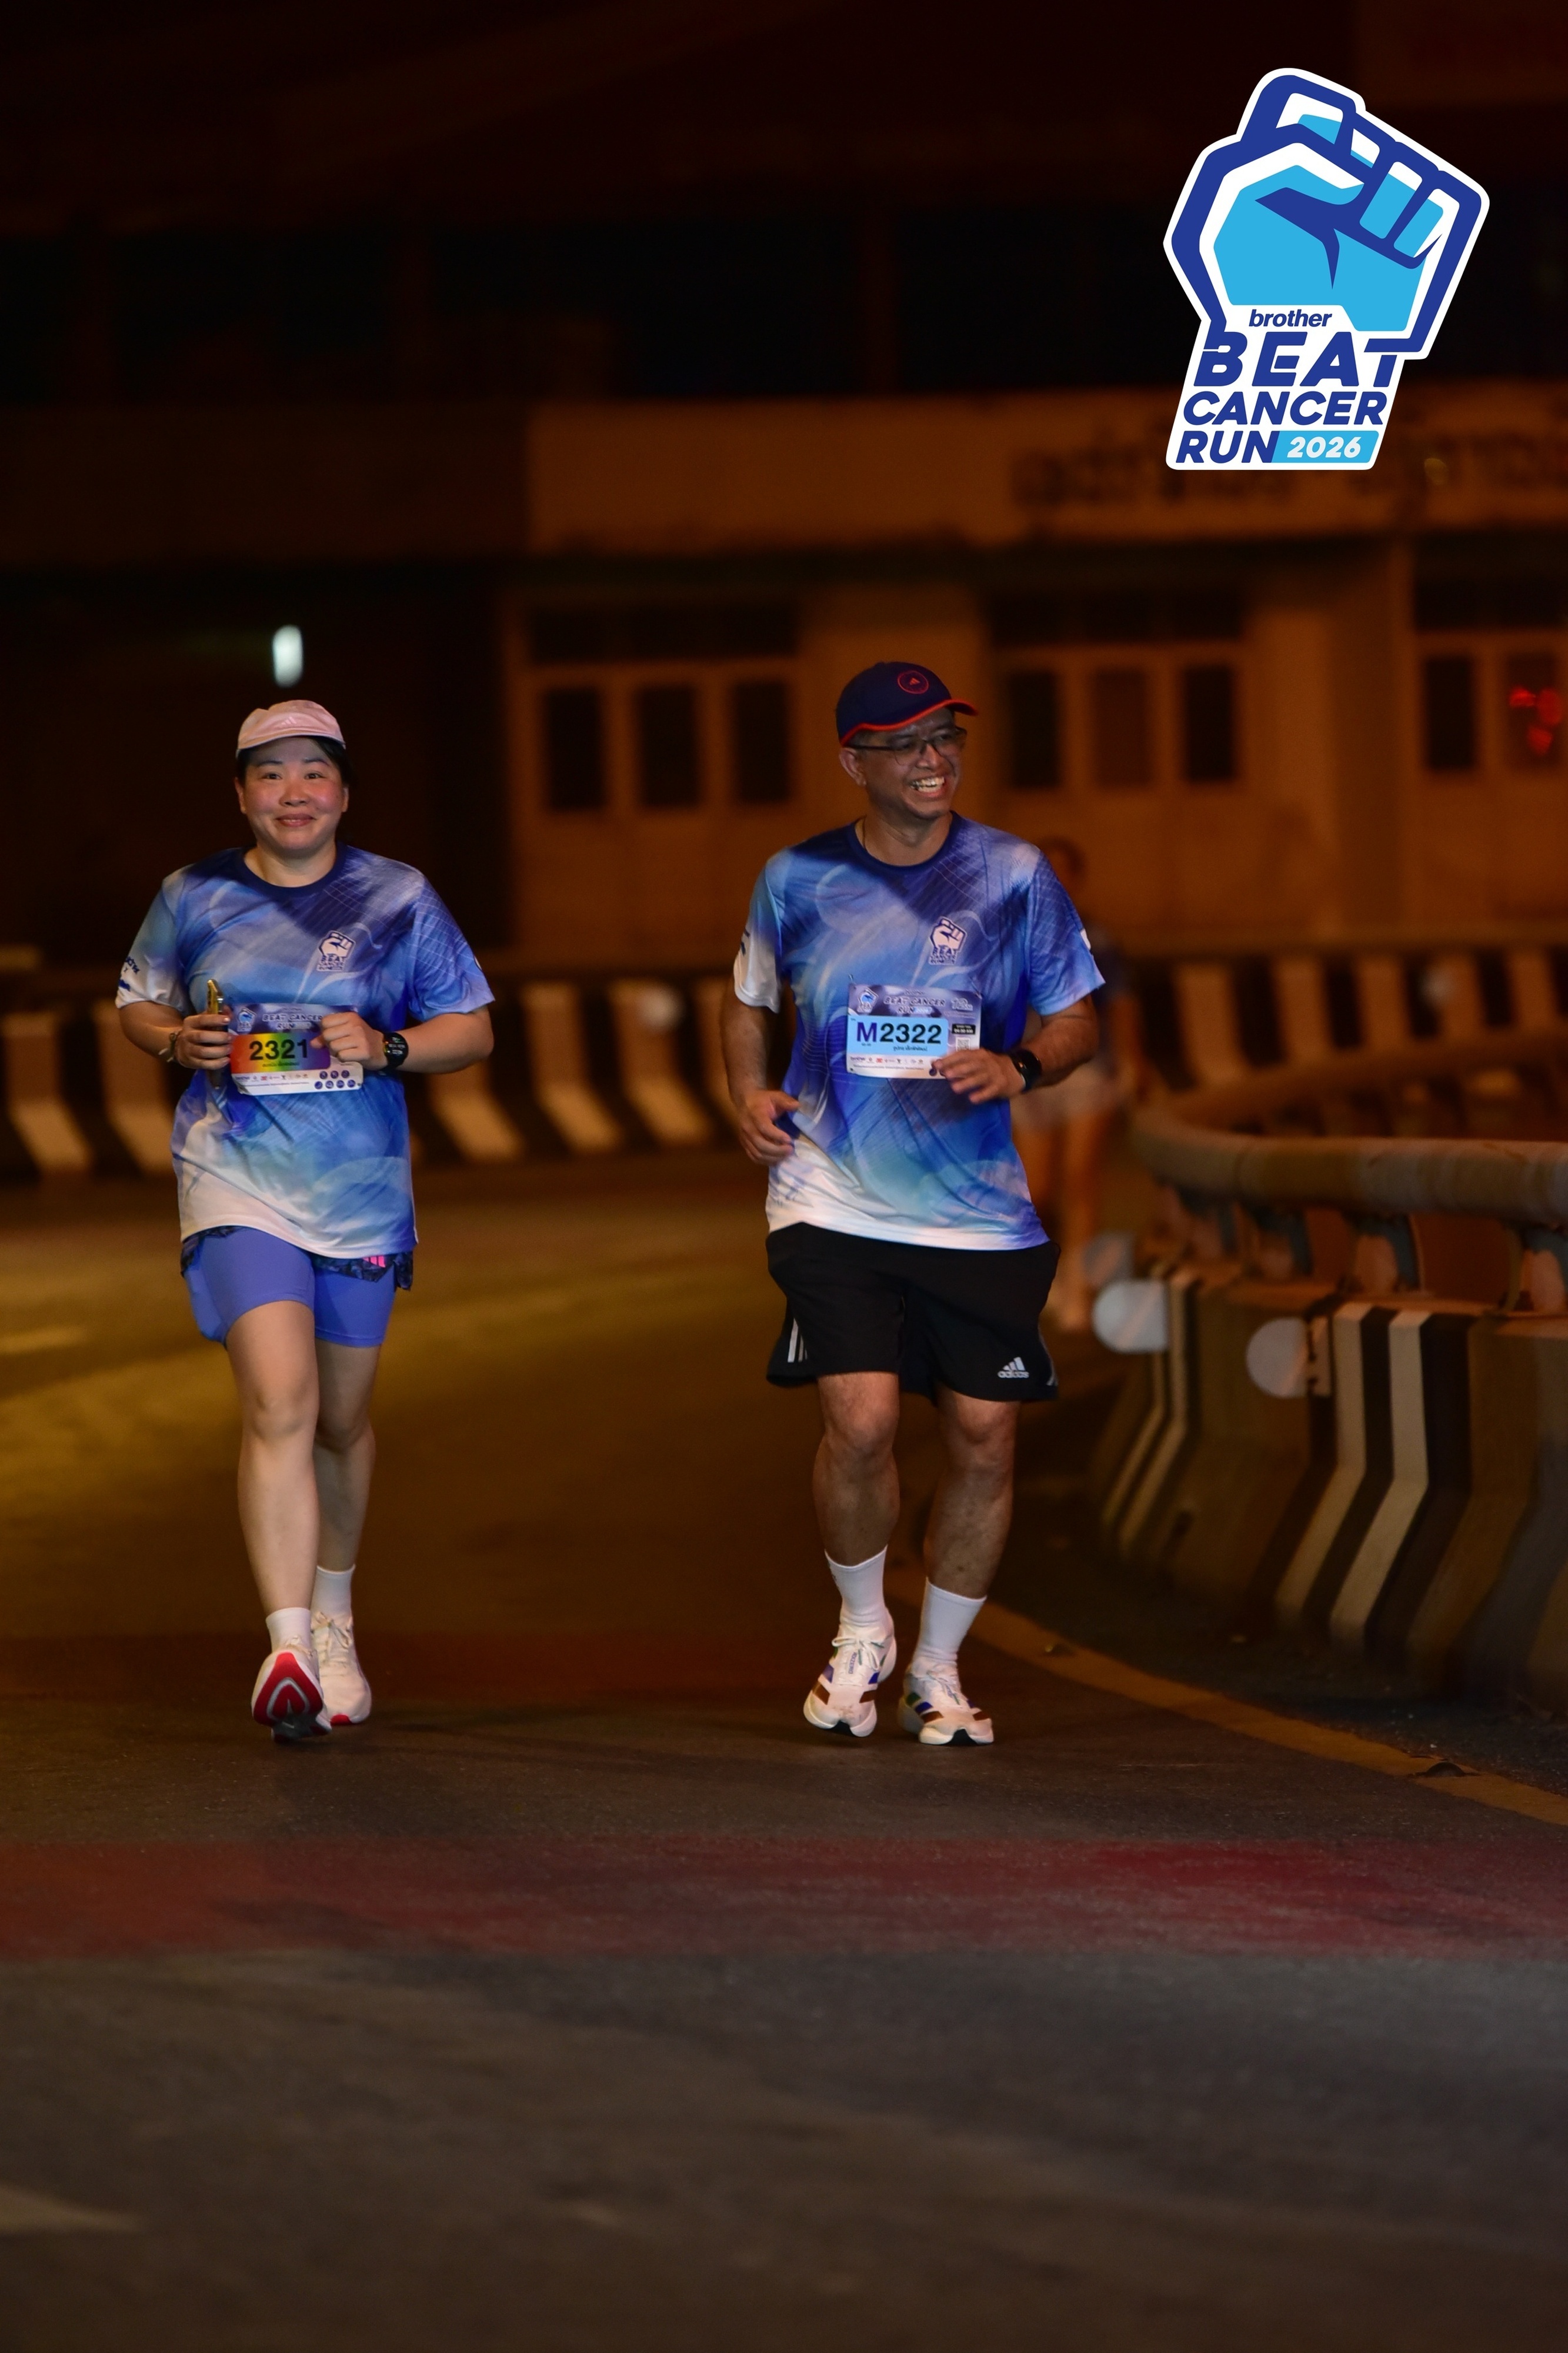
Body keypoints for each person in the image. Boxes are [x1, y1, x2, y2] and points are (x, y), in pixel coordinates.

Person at [720, 660, 1100, 1747]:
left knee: (984, 1435)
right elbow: (745, 1000)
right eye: (906, 743)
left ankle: (937, 1668)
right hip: (831, 1196)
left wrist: (1019, 1065)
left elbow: (1077, 1019)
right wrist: (746, 1091)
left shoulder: (1014, 875)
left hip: (977, 1211)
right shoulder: (797, 878)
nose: (934, 759)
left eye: (945, 738)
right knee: (863, 1420)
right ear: (855, 762)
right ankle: (861, 1630)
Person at [117, 701, 494, 1741]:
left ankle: (332, 1616)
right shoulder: (193, 895)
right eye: (271, 773)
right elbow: (137, 1001)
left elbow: (472, 1028)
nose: (294, 792)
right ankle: (285, 1645)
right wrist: (174, 1040)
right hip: (233, 1176)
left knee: (339, 1420)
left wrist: (389, 1046)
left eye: (313, 772)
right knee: (279, 1401)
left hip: (359, 1194)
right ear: (241, 793)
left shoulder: (397, 897)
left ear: (343, 791)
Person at [1010, 836, 1152, 1334]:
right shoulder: (1007, 935)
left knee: (1080, 1179)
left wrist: (1132, 1062)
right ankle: (1048, 1275)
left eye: (1064, 872)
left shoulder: (1098, 938)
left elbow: (1122, 1002)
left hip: (1088, 1069)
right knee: (1035, 1189)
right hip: (1029, 1071)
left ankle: (1079, 1285)